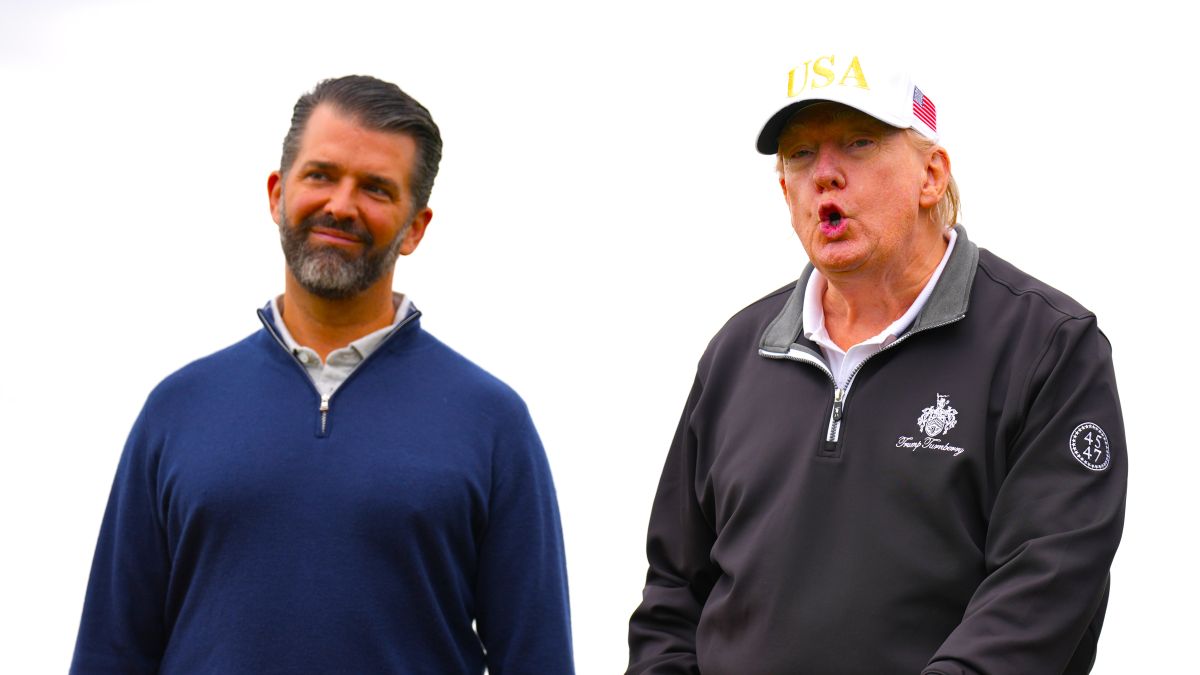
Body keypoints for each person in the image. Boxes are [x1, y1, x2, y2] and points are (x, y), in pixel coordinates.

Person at [626, 53, 1126, 674]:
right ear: (784, 189)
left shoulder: (1048, 346)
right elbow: (673, 593)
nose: (824, 175)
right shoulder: (737, 353)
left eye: (858, 143)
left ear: (932, 175)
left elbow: (1045, 585)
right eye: (801, 155)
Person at [71, 75, 574, 674]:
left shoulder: (491, 423)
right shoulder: (177, 409)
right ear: (277, 193)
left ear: (415, 227)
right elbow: (111, 651)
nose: (341, 204)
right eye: (321, 175)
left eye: (376, 189)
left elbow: (537, 659)